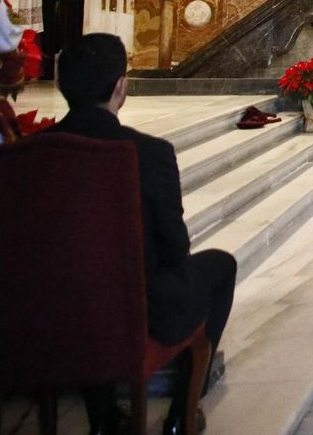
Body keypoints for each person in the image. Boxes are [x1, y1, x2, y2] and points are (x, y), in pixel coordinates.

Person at [50, 34, 236, 435]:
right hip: (132, 308)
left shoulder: (26, 154)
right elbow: (174, 248)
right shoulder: (146, 153)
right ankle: (179, 416)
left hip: (50, 315)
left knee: (78, 281)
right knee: (219, 266)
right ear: (121, 86)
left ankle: (102, 420)